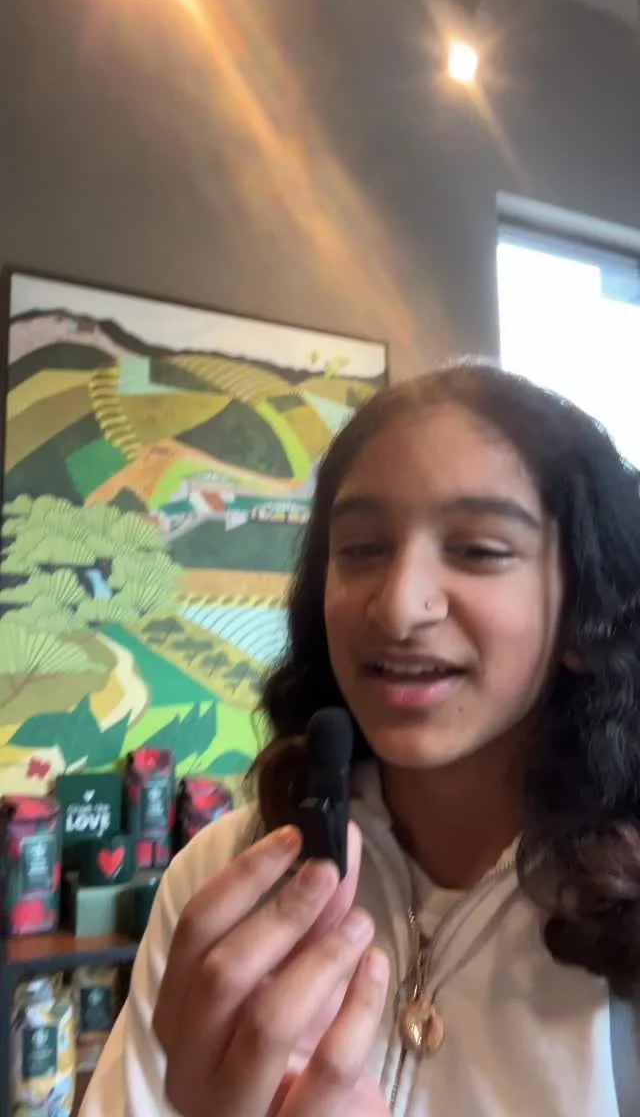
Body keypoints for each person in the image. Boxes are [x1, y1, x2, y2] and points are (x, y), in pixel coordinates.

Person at [81, 364, 640, 1117]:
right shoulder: (221, 882)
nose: (399, 606)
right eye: (362, 548)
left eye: (479, 549)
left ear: (586, 612)